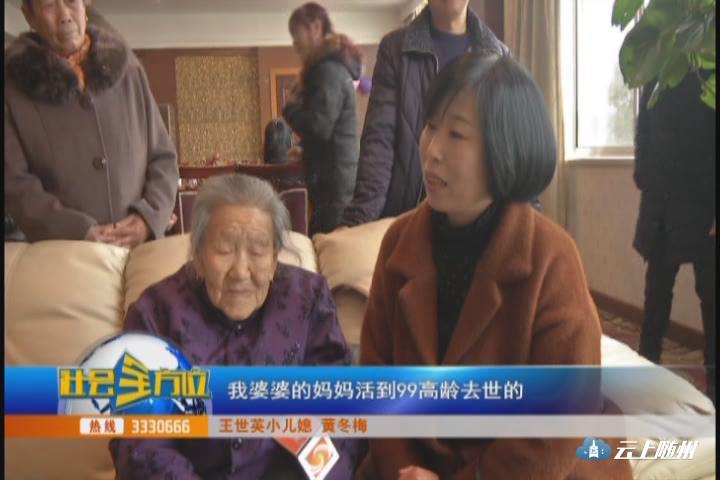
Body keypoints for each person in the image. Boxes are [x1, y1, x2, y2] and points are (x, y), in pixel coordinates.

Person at [358, 53, 632, 480]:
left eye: (456, 134)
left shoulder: (550, 256)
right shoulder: (399, 242)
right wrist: (404, 471)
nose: (432, 151)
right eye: (430, 126)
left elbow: (558, 420)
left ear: (505, 148)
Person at [111, 174, 362, 479]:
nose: (241, 272)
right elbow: (142, 442)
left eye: (257, 251)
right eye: (224, 250)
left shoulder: (307, 300)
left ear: (275, 257)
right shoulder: (155, 314)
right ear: (199, 254)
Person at [5, 0, 178, 247]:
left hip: (142, 248)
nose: (65, 15)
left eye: (70, 1)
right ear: (29, 16)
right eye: (49, 5)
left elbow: (163, 157)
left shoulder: (128, 69)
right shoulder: (13, 86)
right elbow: (14, 182)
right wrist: (78, 231)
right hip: (64, 253)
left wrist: (148, 218)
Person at [340, 0, 507, 228]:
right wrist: (358, 222)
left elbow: (509, 152)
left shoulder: (498, 56)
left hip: (477, 223)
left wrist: (525, 221)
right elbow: (379, 141)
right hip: (406, 217)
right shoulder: (395, 49)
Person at [633, 75, 716, 403]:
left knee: (711, 301)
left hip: (706, 204)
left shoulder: (709, 68)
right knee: (655, 296)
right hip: (661, 204)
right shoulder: (656, 73)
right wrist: (643, 172)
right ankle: (645, 374)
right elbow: (643, 128)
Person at [283, 2, 362, 235]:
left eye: (296, 35)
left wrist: (290, 109)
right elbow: (327, 129)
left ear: (315, 27)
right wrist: (306, 149)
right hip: (339, 181)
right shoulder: (334, 68)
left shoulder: (326, 70)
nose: (294, 44)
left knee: (328, 243)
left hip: (333, 187)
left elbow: (319, 127)